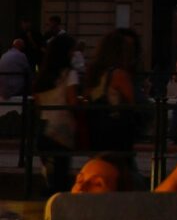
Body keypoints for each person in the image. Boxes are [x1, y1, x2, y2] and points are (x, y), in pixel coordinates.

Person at [32, 33, 81, 190]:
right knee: (61, 171)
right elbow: (72, 102)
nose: (74, 53)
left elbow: (38, 102)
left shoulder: (42, 76)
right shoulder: (69, 74)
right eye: (72, 50)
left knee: (51, 171)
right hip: (62, 128)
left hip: (43, 127)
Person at [84, 29, 140, 166]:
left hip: (96, 131)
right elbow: (133, 104)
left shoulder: (94, 73)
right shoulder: (119, 74)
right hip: (116, 133)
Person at [0, 34, 31, 104]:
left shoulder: (4, 55)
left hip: (3, 89)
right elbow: (28, 72)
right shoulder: (21, 55)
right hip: (15, 89)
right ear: (20, 46)